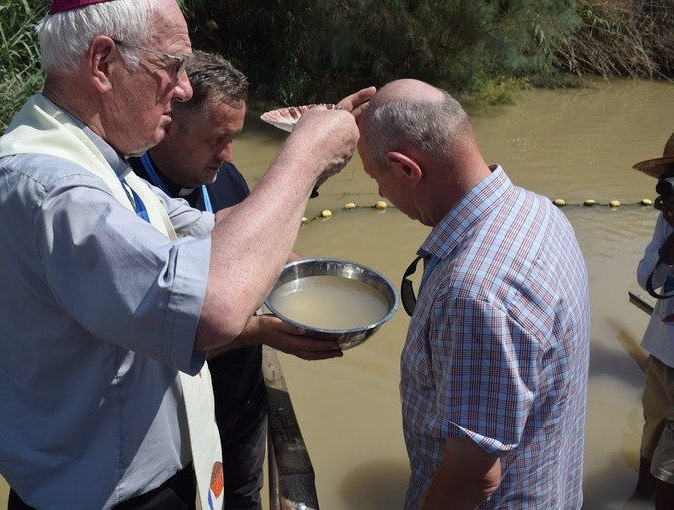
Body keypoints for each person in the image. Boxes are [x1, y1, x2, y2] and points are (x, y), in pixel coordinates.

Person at [0, 0, 372, 508]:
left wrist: (309, 175)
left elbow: (212, 230)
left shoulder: (100, 164)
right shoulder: (61, 190)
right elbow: (214, 308)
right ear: (102, 63)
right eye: (172, 65)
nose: (181, 89)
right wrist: (304, 157)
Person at [357, 79, 591, 509]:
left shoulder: (476, 293)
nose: (379, 194)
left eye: (376, 177)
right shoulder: (538, 210)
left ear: (407, 169)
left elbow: (472, 480)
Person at [128, 50, 343, 509]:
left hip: (241, 404)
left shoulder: (224, 177)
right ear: (166, 123)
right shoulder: (128, 202)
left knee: (244, 498)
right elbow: (154, 338)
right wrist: (264, 330)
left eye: (234, 138)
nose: (227, 155)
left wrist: (317, 287)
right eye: (216, 139)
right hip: (171, 422)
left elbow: (266, 251)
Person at [632, 131, 674, 509]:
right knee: (650, 436)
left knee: (670, 471)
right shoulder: (667, 224)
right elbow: (646, 280)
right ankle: (636, 497)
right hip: (661, 354)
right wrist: (667, 248)